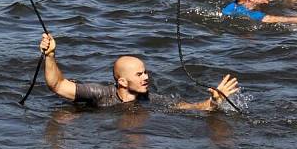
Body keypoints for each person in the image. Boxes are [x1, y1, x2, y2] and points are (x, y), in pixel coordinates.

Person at [39, 33, 239, 111]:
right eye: (139, 75)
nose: (146, 77)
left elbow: (189, 107)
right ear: (123, 82)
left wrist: (214, 101)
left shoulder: (152, 99)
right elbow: (57, 85)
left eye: (145, 73)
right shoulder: (99, 94)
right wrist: (50, 55)